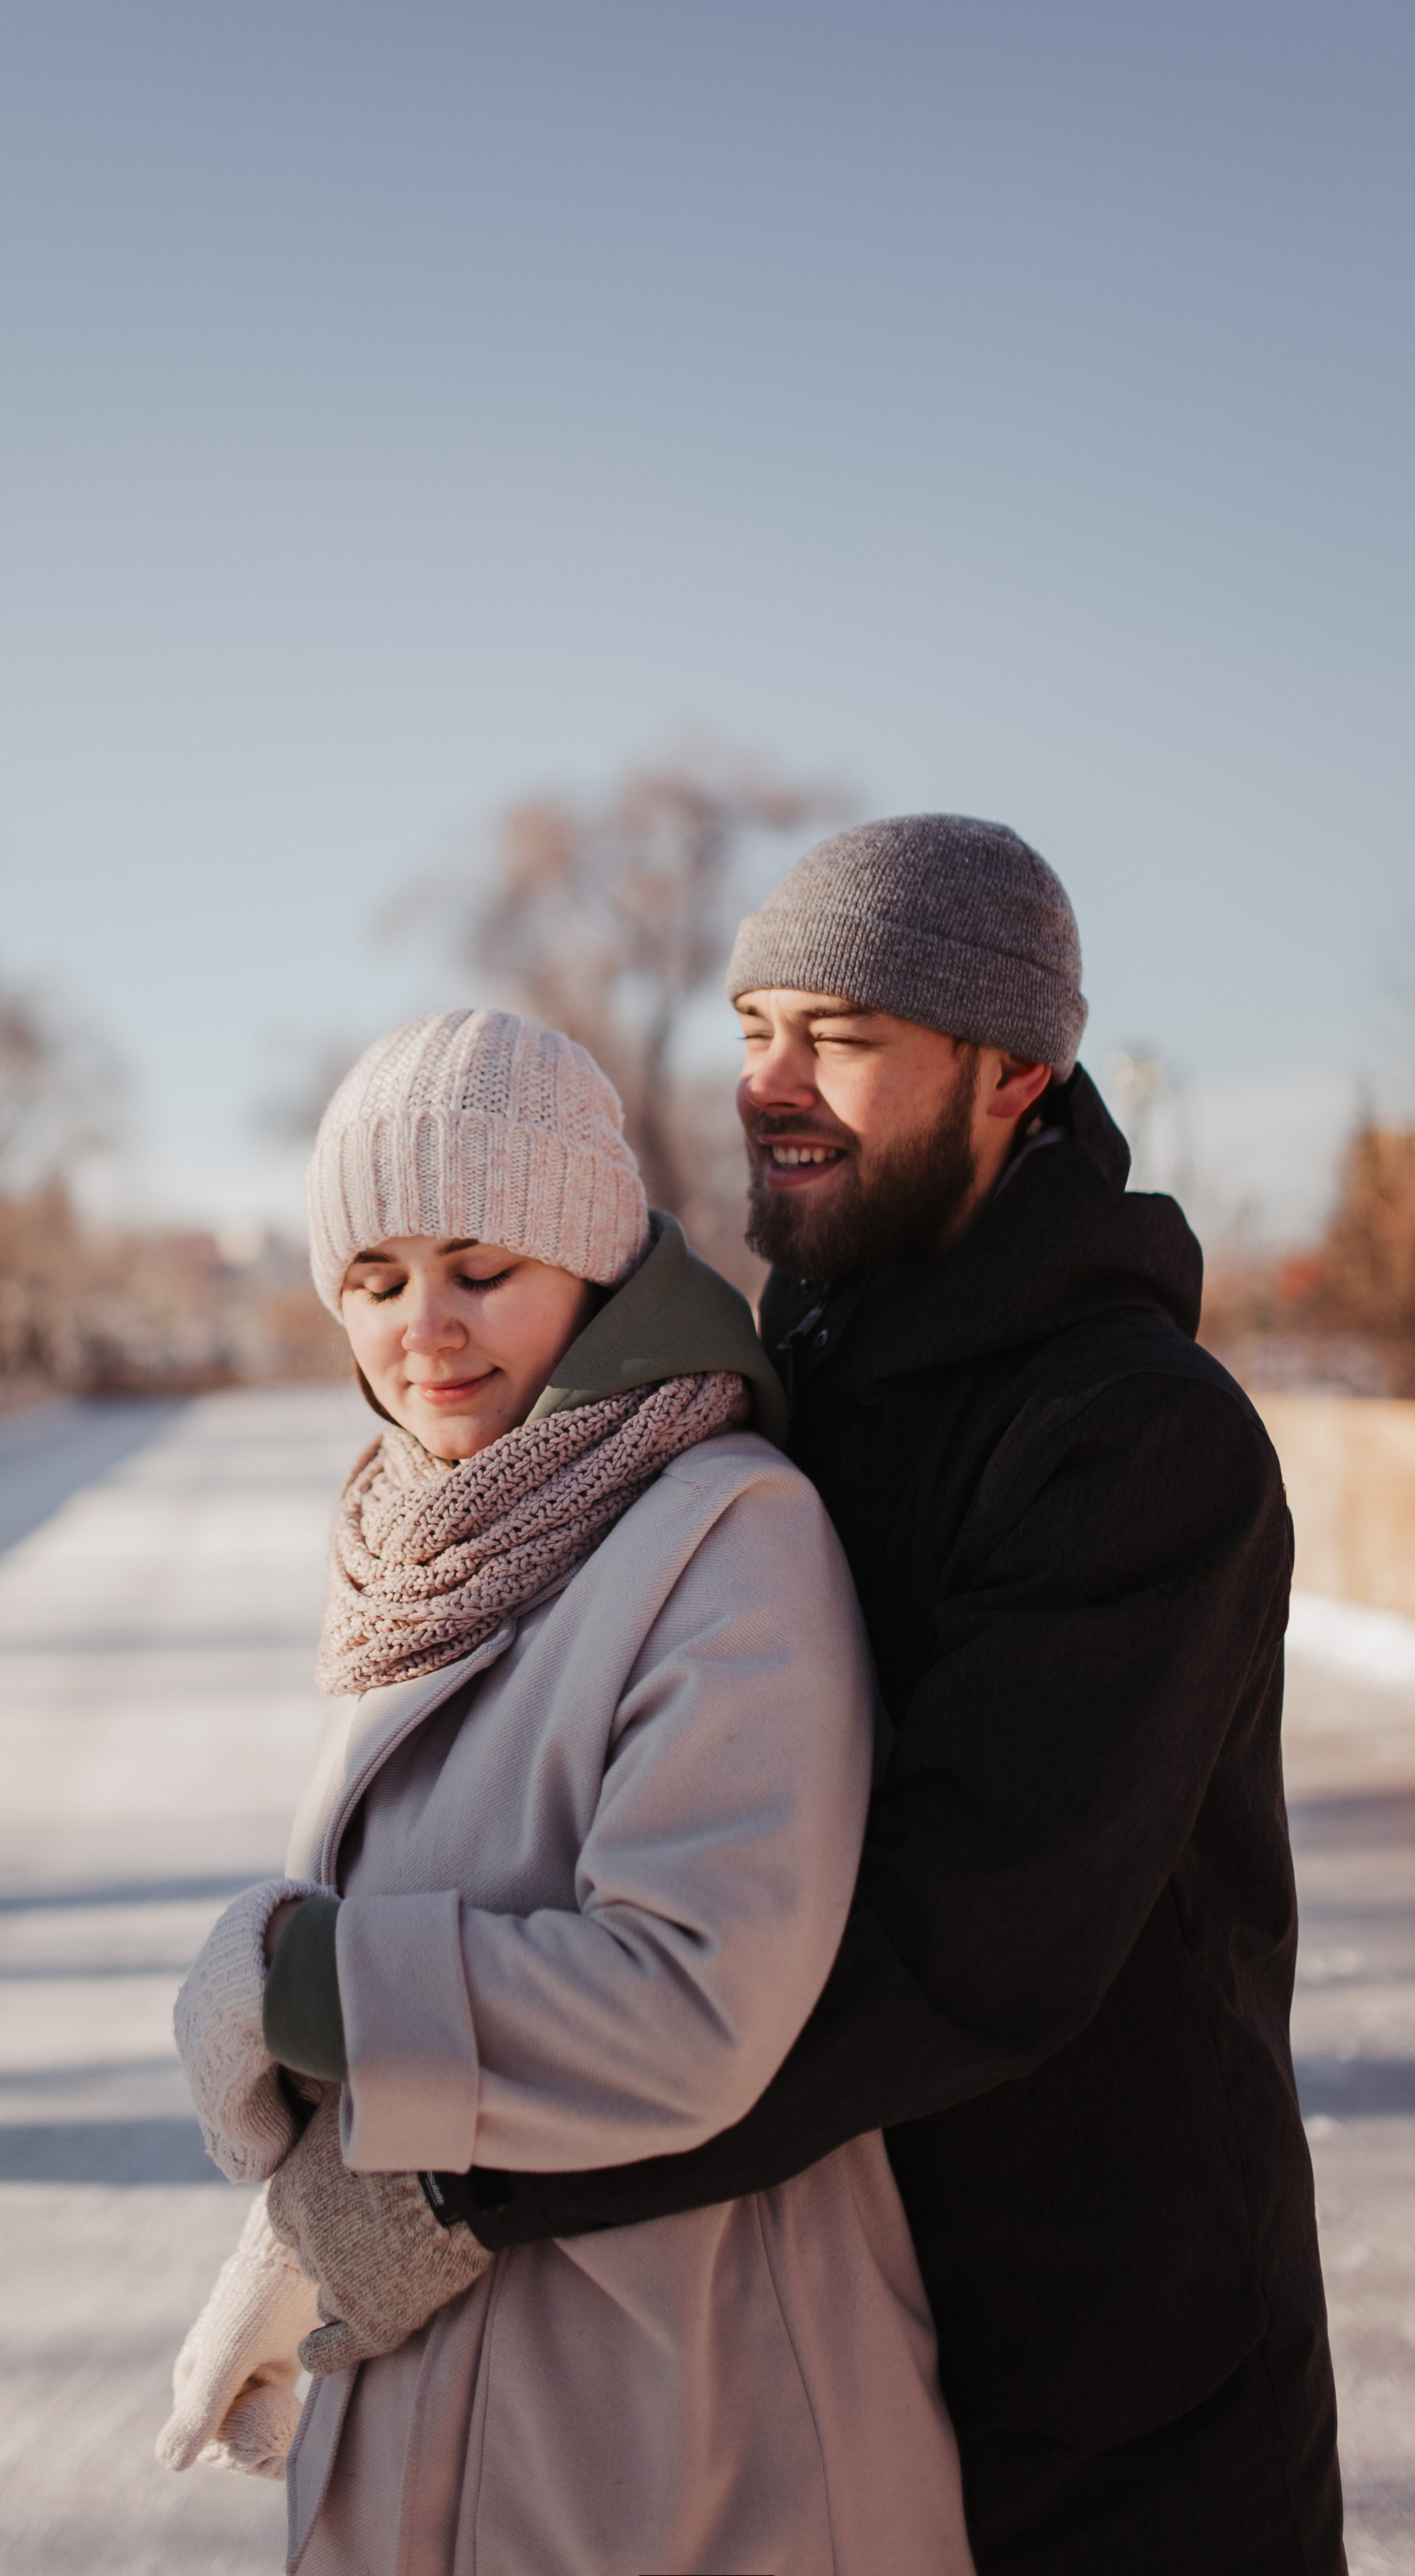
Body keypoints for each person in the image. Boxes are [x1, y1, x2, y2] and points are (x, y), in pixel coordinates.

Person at [372, 818, 1346, 2575]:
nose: (769, 1082)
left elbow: (949, 1945)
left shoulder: (1130, 1438)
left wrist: (464, 2173)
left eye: (837, 1034)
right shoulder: (790, 1384)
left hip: (1109, 2397)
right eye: (751, 1025)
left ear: (1013, 1071)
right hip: (825, 2341)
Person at [158, 1006, 975, 2576]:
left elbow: (690, 1989)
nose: (426, 1331)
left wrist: (302, 1987)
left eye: (482, 1268)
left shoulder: (722, 1531)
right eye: (376, 1282)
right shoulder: (432, 1543)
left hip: (683, 2425)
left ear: (591, 1263)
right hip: (463, 2412)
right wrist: (318, 2207)